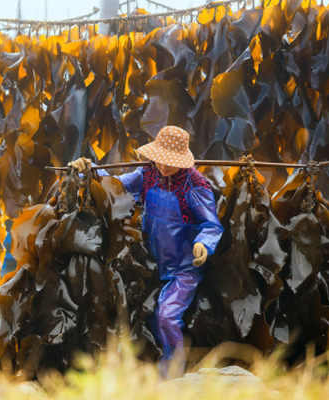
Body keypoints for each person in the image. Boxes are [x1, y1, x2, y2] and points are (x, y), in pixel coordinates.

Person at [68, 125, 224, 377]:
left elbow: (211, 224)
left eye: (170, 162)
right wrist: (88, 171)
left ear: (182, 160)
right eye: (160, 159)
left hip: (183, 269)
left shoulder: (195, 185)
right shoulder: (147, 174)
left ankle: (172, 376)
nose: (163, 166)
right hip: (150, 262)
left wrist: (203, 243)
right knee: (130, 312)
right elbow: (112, 185)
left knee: (166, 316)